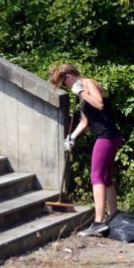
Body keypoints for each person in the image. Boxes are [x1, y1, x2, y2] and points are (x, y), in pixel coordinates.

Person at [49, 64, 123, 237]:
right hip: (108, 135)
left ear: (68, 76)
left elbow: (99, 104)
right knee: (105, 177)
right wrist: (72, 137)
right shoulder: (81, 92)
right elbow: (85, 121)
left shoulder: (87, 83)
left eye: (63, 82)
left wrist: (81, 92)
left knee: (96, 176)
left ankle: (98, 222)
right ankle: (113, 216)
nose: (65, 86)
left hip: (106, 136)